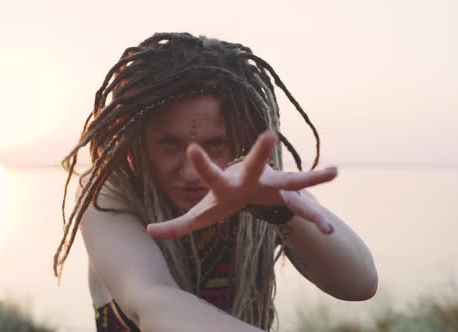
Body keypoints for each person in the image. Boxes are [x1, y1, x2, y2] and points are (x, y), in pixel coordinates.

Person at [54, 32, 378, 332]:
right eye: (169, 144)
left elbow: (359, 283)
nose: (192, 172)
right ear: (139, 141)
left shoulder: (256, 186)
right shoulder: (111, 195)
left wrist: (276, 208)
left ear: (242, 140)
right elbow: (153, 300)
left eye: (215, 145)